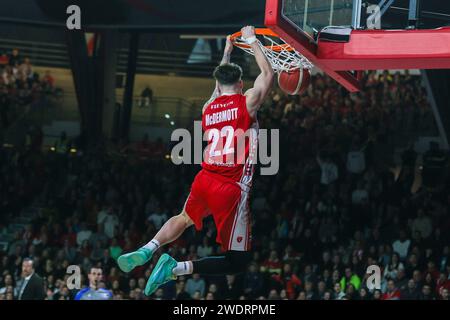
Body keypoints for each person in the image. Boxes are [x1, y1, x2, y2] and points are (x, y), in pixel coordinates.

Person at [117, 25, 274, 296]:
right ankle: (175, 268)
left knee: (185, 217)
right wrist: (251, 39)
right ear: (239, 85)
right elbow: (268, 73)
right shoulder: (247, 101)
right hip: (230, 187)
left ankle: (149, 247)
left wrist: (226, 52)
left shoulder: (208, 108)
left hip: (205, 178)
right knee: (238, 261)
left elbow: (217, 86)